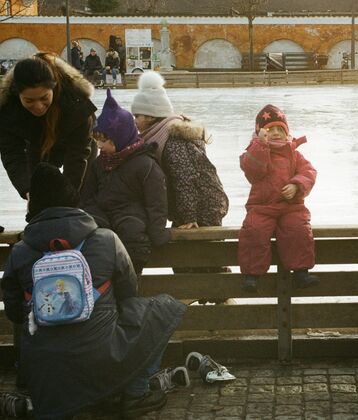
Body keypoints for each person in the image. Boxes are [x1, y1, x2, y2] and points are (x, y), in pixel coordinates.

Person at [1, 162, 187, 419]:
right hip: (102, 356)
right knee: (163, 308)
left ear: (33, 206)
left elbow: (14, 311)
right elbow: (129, 291)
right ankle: (136, 393)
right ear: (71, 199)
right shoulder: (106, 239)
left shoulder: (20, 252)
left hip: (43, 367)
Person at [80, 89, 170, 275]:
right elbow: (87, 195)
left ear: (120, 138)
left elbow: (156, 202)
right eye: (97, 141)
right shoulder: (99, 163)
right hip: (103, 213)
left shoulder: (145, 164)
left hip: (132, 216)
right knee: (93, 230)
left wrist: (158, 232)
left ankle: (131, 277)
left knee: (132, 230)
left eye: (105, 141)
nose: (100, 146)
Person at [131, 71, 229, 229]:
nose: (134, 121)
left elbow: (185, 177)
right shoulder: (159, 135)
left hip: (204, 208)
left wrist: (189, 216)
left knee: (201, 252)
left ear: (150, 116)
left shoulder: (173, 140)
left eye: (137, 116)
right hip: (194, 206)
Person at [238, 104, 318, 292]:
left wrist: (297, 184)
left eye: (279, 129)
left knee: (298, 230)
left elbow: (309, 172)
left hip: (291, 207)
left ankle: (301, 273)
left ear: (286, 132)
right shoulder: (253, 152)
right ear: (259, 133)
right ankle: (251, 275)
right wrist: (260, 145)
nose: (275, 133)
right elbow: (253, 171)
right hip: (261, 207)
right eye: (269, 130)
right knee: (253, 231)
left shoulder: (294, 153)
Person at [0, 53, 97, 207]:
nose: (38, 106)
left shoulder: (76, 102)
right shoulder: (8, 109)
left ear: (54, 87)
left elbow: (78, 155)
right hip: (36, 142)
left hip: (76, 143)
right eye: (29, 100)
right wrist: (28, 190)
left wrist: (68, 197)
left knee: (79, 192)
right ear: (17, 95)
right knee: (37, 190)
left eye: (44, 97)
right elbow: (12, 154)